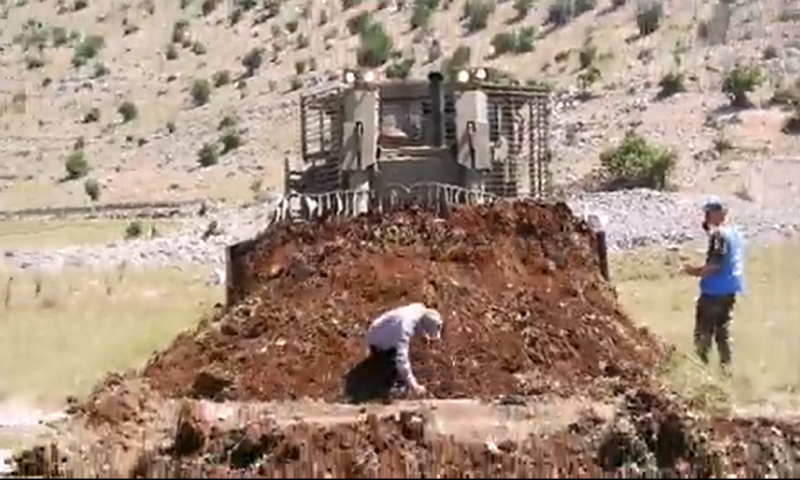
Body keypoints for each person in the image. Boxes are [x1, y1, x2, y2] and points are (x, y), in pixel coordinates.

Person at [682, 199, 744, 372]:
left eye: (708, 213)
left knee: (703, 332)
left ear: (718, 214)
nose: (706, 217)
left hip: (714, 292)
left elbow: (715, 265)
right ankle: (727, 368)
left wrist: (693, 271)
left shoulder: (718, 236)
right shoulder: (734, 233)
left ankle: (701, 369)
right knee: (722, 332)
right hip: (729, 289)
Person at [364, 302, 443, 396]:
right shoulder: (404, 329)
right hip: (377, 340)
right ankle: (385, 387)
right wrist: (415, 386)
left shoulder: (419, 308)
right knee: (395, 365)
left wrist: (423, 334)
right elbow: (402, 360)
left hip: (382, 327)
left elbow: (419, 321)